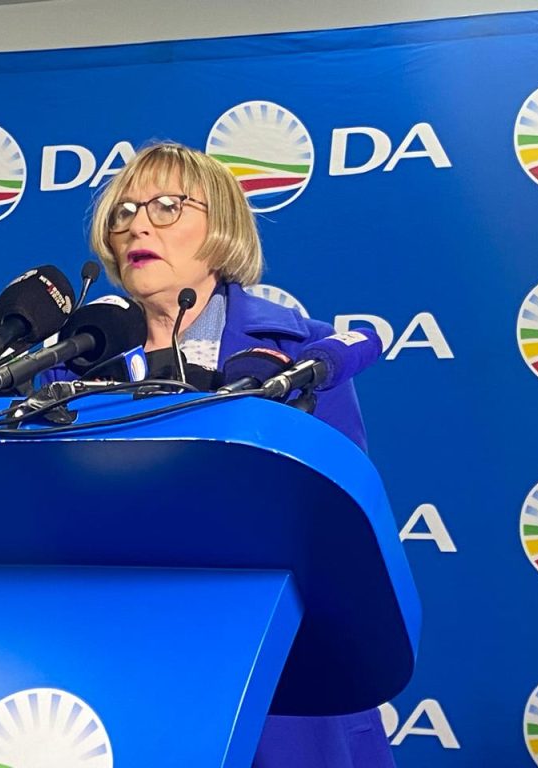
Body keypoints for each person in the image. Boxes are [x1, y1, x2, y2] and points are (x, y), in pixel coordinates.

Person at [74, 142, 390, 766]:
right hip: (113, 662)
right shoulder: (76, 364)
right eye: (124, 212)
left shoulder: (303, 358)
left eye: (167, 207)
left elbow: (338, 528)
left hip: (275, 674)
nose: (137, 226)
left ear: (220, 227)